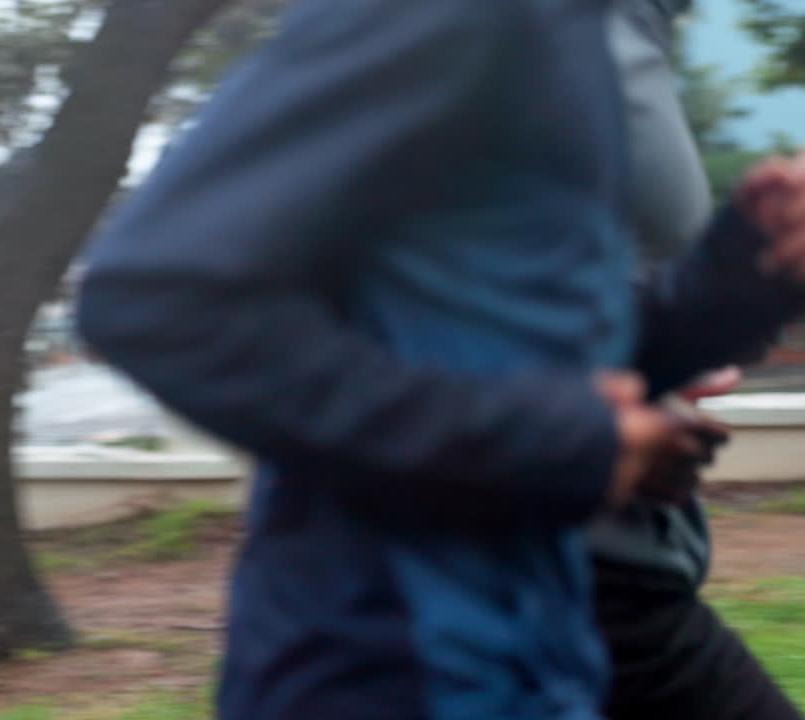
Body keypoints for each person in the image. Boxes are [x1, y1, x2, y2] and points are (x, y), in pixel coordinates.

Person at [76, 1, 805, 718]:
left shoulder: (568, 30)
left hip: (534, 650)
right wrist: (558, 441)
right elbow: (153, 297)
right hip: (391, 660)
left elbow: (539, 345)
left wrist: (748, 269)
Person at [596, 1, 804, 718]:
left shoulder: (618, 32)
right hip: (526, 577)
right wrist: (557, 431)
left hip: (613, 571)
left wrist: (746, 275)